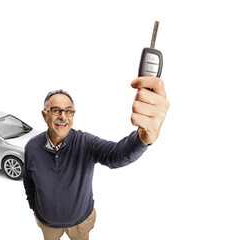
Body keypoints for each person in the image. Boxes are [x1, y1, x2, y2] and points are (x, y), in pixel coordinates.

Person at [23, 77, 170, 240]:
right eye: (56, 110)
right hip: (47, 224)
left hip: (81, 223)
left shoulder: (85, 142)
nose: (63, 117)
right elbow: (28, 179)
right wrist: (34, 207)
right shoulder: (32, 147)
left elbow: (116, 155)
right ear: (44, 115)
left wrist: (142, 138)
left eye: (69, 111)